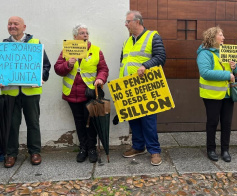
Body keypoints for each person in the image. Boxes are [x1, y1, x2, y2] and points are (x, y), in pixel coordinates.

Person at [54, 24, 109, 163]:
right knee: (79, 122)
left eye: (86, 33)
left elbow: (103, 69)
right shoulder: (67, 50)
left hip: (89, 94)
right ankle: (83, 148)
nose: (85, 35)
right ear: (75, 37)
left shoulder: (96, 50)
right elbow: (58, 69)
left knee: (90, 123)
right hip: (72, 95)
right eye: (82, 33)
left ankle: (91, 148)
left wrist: (100, 79)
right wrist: (68, 64)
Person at [1, 16, 51, 168]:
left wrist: (40, 77)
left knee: (33, 123)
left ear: (24, 27)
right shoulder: (4, 45)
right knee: (11, 124)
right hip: (10, 93)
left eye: (16, 24)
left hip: (31, 92)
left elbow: (45, 66)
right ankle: (11, 153)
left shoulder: (35, 43)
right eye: (10, 24)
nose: (12, 26)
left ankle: (35, 152)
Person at [120, 10, 166, 166]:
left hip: (145, 87)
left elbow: (161, 57)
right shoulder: (127, 41)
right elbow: (124, 62)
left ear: (137, 22)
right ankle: (138, 147)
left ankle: (154, 151)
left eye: (128, 21)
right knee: (133, 119)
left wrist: (146, 66)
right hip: (128, 87)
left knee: (148, 120)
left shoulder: (153, 37)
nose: (125, 24)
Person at [197, 26, 237, 162]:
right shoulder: (204, 53)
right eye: (220, 35)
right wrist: (227, 74)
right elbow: (205, 72)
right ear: (212, 37)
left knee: (226, 123)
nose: (223, 38)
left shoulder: (225, 51)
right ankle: (211, 149)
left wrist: (234, 66)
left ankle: (225, 150)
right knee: (213, 122)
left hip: (227, 93)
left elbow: (233, 71)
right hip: (212, 94)